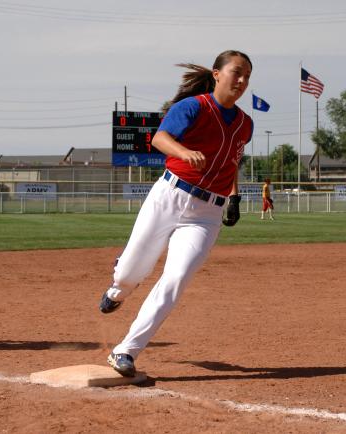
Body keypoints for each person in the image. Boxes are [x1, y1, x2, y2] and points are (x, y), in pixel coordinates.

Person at [99, 50, 253, 377]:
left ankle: (125, 350)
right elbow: (160, 138)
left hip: (206, 214)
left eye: (247, 76)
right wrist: (184, 151)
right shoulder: (194, 106)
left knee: (176, 279)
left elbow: (231, 161)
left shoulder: (245, 124)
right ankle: (118, 289)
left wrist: (234, 196)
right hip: (170, 195)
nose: (242, 81)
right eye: (237, 72)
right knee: (130, 273)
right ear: (217, 74)